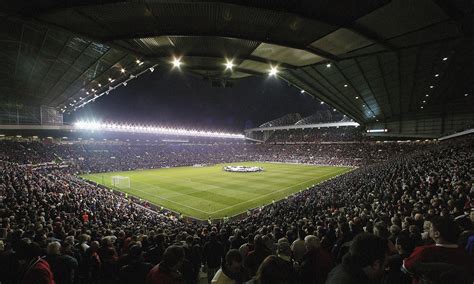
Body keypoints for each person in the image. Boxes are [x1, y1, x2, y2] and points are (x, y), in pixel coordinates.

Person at [402, 216, 474, 283]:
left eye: (430, 227)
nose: (428, 230)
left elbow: (406, 267)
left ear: (436, 234)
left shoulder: (424, 251)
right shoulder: (465, 253)